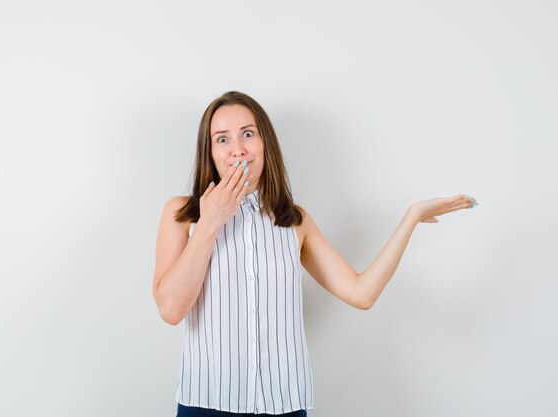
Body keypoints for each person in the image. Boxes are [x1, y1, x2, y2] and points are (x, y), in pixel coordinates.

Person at [152, 91, 478, 417]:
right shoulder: (182, 214)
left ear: (266, 143)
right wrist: (211, 221)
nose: (237, 148)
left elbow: (362, 293)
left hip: (283, 405)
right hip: (206, 403)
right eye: (222, 139)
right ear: (210, 152)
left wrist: (411, 217)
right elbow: (171, 309)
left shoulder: (295, 221)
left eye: (248, 134)